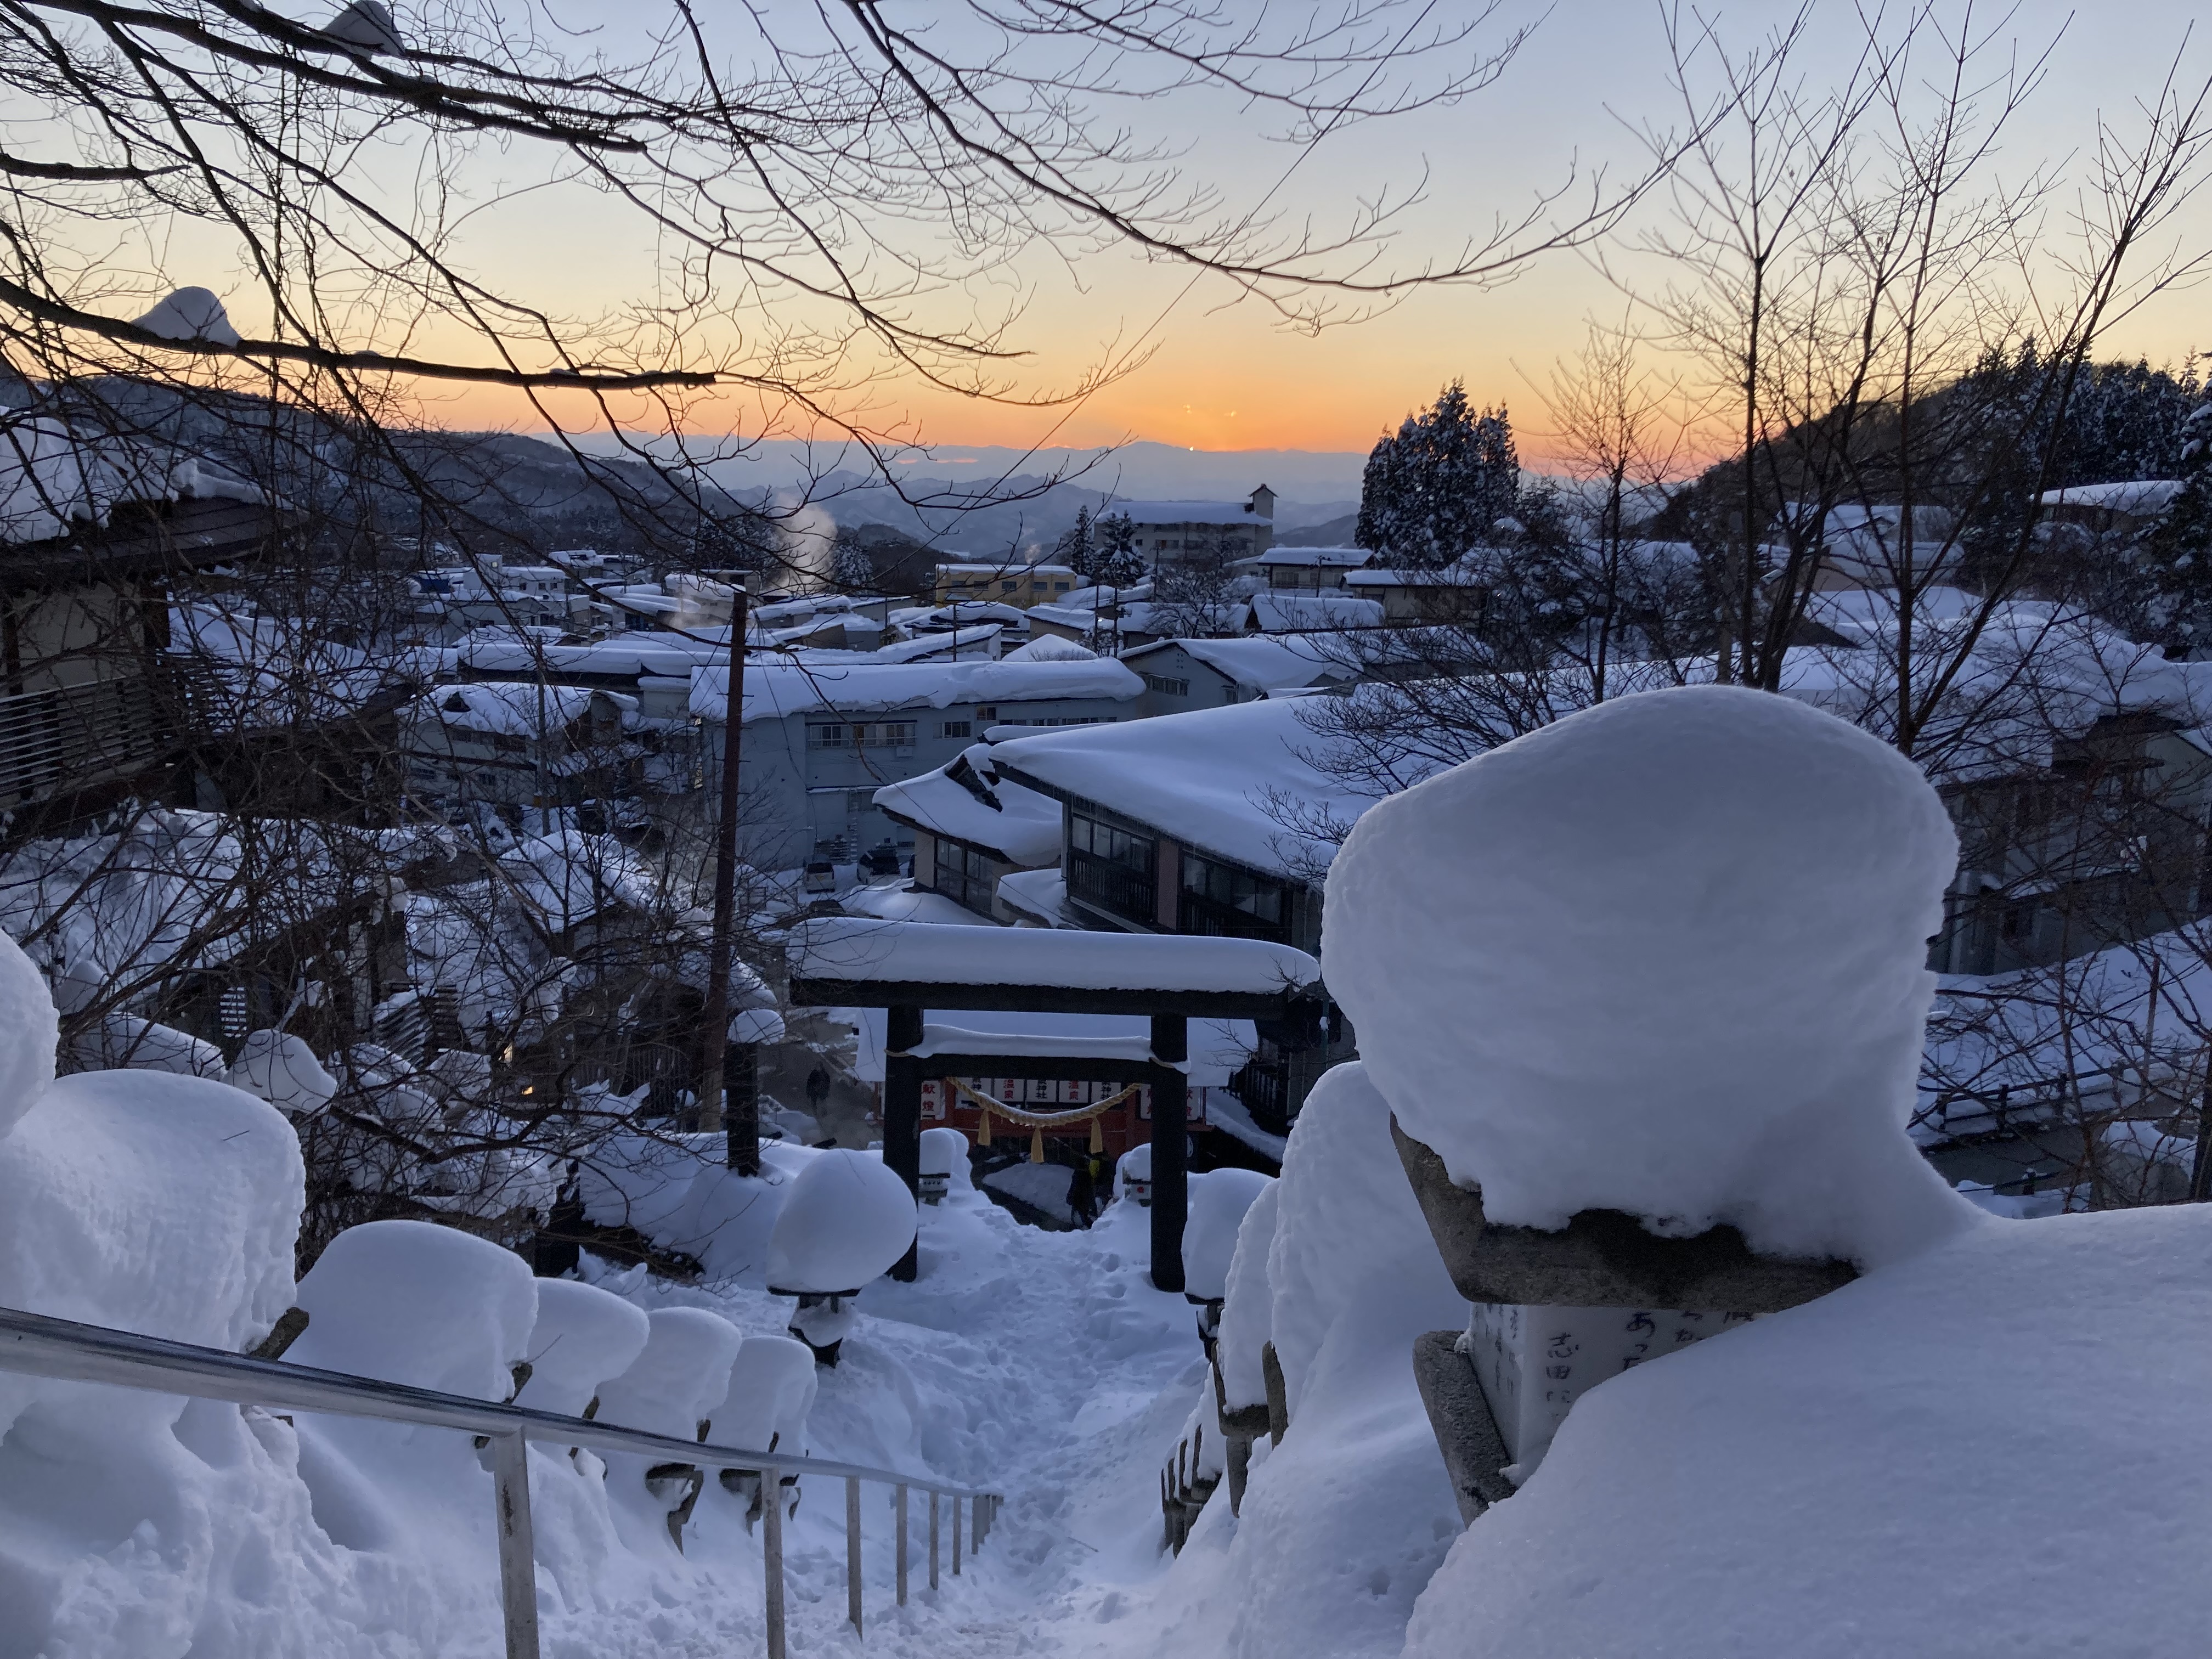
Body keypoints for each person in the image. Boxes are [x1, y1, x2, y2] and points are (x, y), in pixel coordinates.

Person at [1064, 1152, 1097, 1228]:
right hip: (1086, 1198)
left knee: (1082, 1215)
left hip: (1079, 1198)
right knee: (1084, 1215)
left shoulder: (1078, 1174)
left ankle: (1090, 1229)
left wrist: (1071, 1197)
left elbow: (1075, 1186)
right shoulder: (1087, 1174)